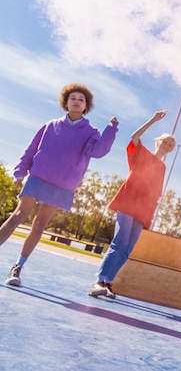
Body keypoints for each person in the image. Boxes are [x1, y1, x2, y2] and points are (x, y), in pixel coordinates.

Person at [0, 83, 118, 287]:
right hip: (37, 178)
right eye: (73, 98)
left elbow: (98, 152)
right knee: (17, 216)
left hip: (63, 186)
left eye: (81, 99)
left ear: (85, 105)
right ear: (66, 102)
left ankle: (17, 267)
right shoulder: (50, 125)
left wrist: (111, 130)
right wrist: (20, 172)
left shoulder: (91, 131)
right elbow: (31, 149)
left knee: (39, 225)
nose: (76, 101)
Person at [88, 110, 175, 299]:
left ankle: (108, 282)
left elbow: (155, 195)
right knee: (118, 243)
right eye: (165, 141)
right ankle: (98, 281)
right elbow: (134, 136)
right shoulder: (141, 153)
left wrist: (148, 219)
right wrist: (153, 119)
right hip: (127, 204)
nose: (167, 145)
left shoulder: (162, 167)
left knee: (127, 250)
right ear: (158, 142)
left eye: (171, 144)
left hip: (143, 212)